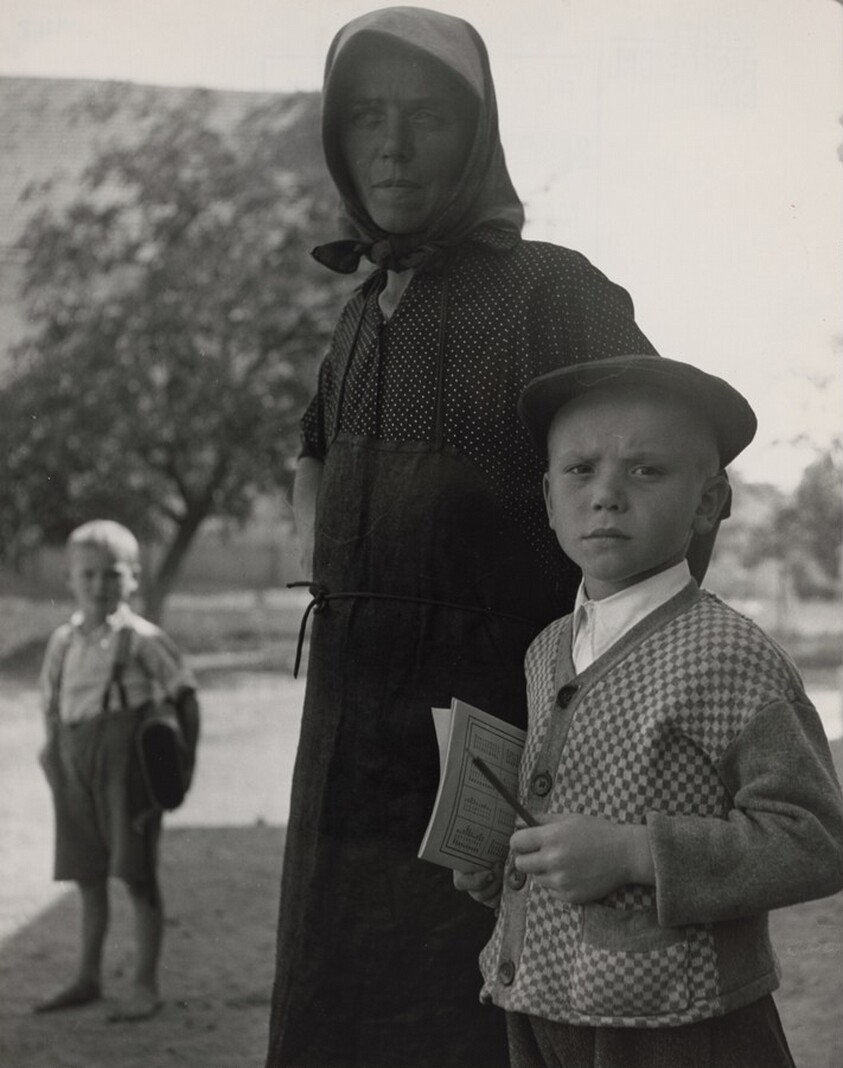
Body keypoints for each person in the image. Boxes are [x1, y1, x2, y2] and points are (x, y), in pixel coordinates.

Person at [267, 8, 715, 1067]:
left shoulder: (551, 294)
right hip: (345, 749)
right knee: (336, 1013)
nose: (392, 144)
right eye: (367, 117)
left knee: (481, 1026)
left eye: (425, 117)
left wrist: (613, 729)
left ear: (476, 135)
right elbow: (314, 458)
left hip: (497, 756)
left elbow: (676, 493)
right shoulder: (359, 312)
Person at [455, 355, 843, 1068]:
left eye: (645, 471)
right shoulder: (547, 650)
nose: (604, 495)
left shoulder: (731, 657)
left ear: (707, 503)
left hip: (683, 1025)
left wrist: (634, 853)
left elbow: (815, 839)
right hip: (540, 1002)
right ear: (546, 498)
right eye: (579, 471)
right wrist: (502, 859)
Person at [35, 519, 200, 1022]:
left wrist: (181, 765)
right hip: (74, 761)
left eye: (113, 574)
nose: (100, 585)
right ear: (70, 579)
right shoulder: (63, 641)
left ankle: (145, 984)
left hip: (126, 769)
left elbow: (184, 694)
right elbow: (49, 702)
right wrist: (56, 760)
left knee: (136, 874)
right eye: (88, 575)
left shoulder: (142, 639)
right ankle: (88, 976)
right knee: (87, 874)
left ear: (133, 578)